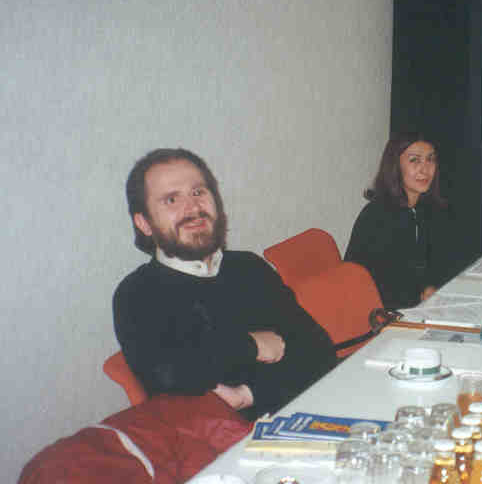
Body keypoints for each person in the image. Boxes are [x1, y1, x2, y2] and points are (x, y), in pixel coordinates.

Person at [113, 148, 336, 420]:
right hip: (218, 448)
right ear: (144, 223)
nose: (193, 208)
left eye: (198, 192)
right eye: (171, 199)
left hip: (300, 414)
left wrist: (248, 393)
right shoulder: (137, 294)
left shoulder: (248, 268)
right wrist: (251, 345)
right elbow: (173, 377)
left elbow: (318, 351)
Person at [345, 132, 456, 309]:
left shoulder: (424, 208)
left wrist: (428, 287)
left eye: (430, 159)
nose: (425, 169)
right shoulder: (379, 216)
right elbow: (381, 287)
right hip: (380, 317)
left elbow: (428, 265)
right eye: (414, 160)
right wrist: (420, 296)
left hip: (412, 307)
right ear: (395, 165)